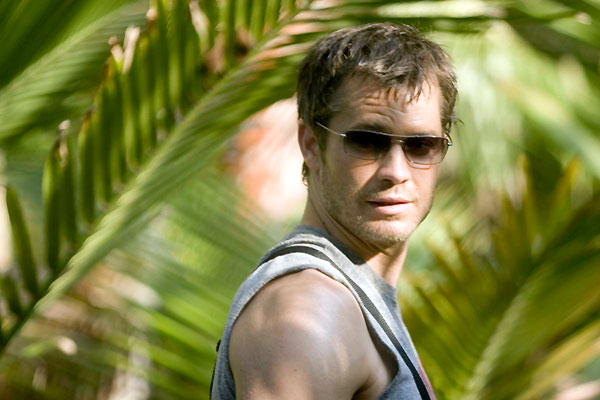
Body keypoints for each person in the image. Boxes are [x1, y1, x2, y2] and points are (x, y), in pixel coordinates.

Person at [211, 23, 457, 399]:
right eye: (367, 141)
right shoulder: (308, 310)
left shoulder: (348, 297)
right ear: (311, 144)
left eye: (420, 145)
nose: (396, 171)